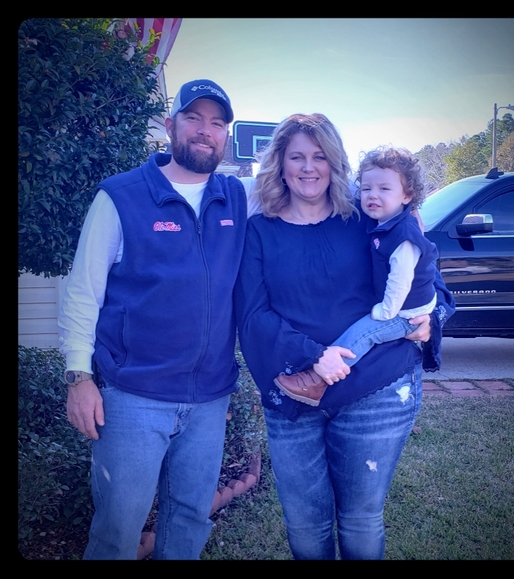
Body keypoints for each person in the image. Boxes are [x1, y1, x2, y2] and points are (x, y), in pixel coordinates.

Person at [234, 113, 455, 560]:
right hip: (293, 390)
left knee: (360, 519)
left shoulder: (370, 218)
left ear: (335, 163)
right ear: (279, 163)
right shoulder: (258, 231)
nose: (308, 167)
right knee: (305, 524)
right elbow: (253, 315)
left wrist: (434, 319)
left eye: (320, 156)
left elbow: (430, 282)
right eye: (296, 157)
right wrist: (314, 356)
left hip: (375, 388)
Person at [58, 79, 248, 560]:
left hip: (209, 399)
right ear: (170, 125)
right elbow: (83, 291)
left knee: (190, 521)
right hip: (133, 398)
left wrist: (398, 212)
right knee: (118, 531)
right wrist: (79, 377)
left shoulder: (237, 196)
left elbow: (311, 189)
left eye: (217, 123)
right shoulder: (120, 196)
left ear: (226, 135)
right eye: (193, 118)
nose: (205, 130)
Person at [274, 146, 439, 406]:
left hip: (405, 311)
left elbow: (401, 281)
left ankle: (317, 380)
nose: (373, 195)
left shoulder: (404, 236)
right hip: (403, 306)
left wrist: (386, 311)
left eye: (384, 189)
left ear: (407, 195)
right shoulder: (383, 223)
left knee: (364, 333)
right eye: (366, 189)